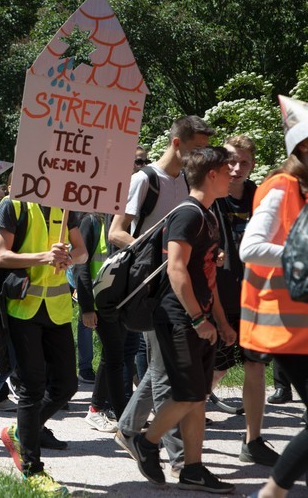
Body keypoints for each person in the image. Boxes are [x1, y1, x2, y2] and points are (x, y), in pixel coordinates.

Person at [125, 146, 235, 493]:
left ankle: (193, 469)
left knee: (197, 396)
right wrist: (199, 319)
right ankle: (145, 442)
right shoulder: (187, 214)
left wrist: (221, 321)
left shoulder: (208, 215)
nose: (233, 173)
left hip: (199, 317)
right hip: (178, 318)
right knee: (187, 394)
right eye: (227, 168)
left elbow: (207, 276)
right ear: (212, 175)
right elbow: (175, 269)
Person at [109, 115, 213, 476]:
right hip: (152, 289)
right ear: (177, 143)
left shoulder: (188, 181)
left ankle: (129, 430)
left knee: (162, 370)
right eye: (197, 148)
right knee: (167, 373)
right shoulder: (144, 179)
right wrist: (158, 253)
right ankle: (179, 458)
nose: (202, 156)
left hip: (178, 288)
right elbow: (116, 231)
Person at [0, 192, 86, 493]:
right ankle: (33, 469)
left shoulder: (66, 204)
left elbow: (83, 251)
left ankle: (21, 430)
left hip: (57, 310)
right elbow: (1, 256)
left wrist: (70, 257)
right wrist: (45, 257)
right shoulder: (14, 204)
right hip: (23, 310)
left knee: (67, 386)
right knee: (32, 388)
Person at [241, 95, 308, 498]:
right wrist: (300, 255)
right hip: (285, 327)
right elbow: (250, 248)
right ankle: (271, 493)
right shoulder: (282, 187)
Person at [208, 135, 280, 466]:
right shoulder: (210, 195)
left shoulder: (261, 196)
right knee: (217, 366)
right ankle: (180, 421)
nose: (237, 168)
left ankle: (253, 440)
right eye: (231, 161)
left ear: (253, 165)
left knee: (255, 365)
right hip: (217, 297)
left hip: (256, 296)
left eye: (244, 162)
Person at [74, 212, 126, 433]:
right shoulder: (92, 222)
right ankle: (121, 418)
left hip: (121, 303)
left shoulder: (124, 220)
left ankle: (99, 409)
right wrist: (86, 308)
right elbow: (81, 267)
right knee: (115, 357)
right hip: (99, 302)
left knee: (113, 356)